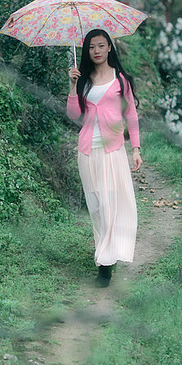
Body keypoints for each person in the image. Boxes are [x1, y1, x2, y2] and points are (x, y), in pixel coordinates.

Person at [66, 28, 142, 286]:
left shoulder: (121, 80)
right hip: (88, 152)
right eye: (91, 47)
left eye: (101, 46)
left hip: (112, 150)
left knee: (111, 205)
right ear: (87, 51)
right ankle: (105, 252)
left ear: (109, 47)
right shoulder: (83, 80)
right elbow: (73, 115)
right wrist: (73, 86)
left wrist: (136, 149)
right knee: (97, 208)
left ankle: (106, 264)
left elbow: (130, 113)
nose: (96, 51)